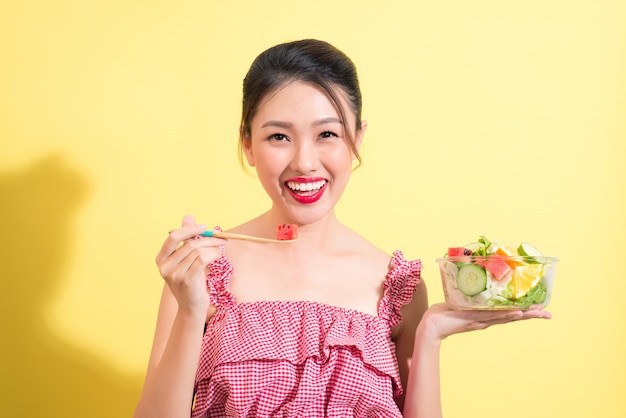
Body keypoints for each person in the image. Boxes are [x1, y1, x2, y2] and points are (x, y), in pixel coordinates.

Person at [133, 39, 550, 418]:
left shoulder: (397, 284)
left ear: (357, 139)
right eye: (279, 136)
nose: (305, 163)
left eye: (327, 134)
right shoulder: (199, 272)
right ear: (247, 143)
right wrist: (190, 310)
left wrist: (431, 336)